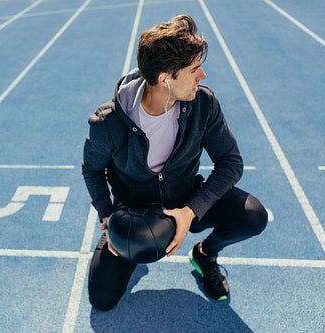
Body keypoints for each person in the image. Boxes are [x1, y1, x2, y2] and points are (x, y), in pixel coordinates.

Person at [82, 15, 268, 311]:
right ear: (166, 78)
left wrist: (190, 211)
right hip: (134, 214)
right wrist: (108, 216)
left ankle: (205, 255)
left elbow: (230, 163)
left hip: (186, 198)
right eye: (194, 70)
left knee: (254, 216)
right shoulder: (108, 122)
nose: (203, 76)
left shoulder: (203, 104)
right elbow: (92, 169)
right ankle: (134, 253)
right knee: (101, 301)